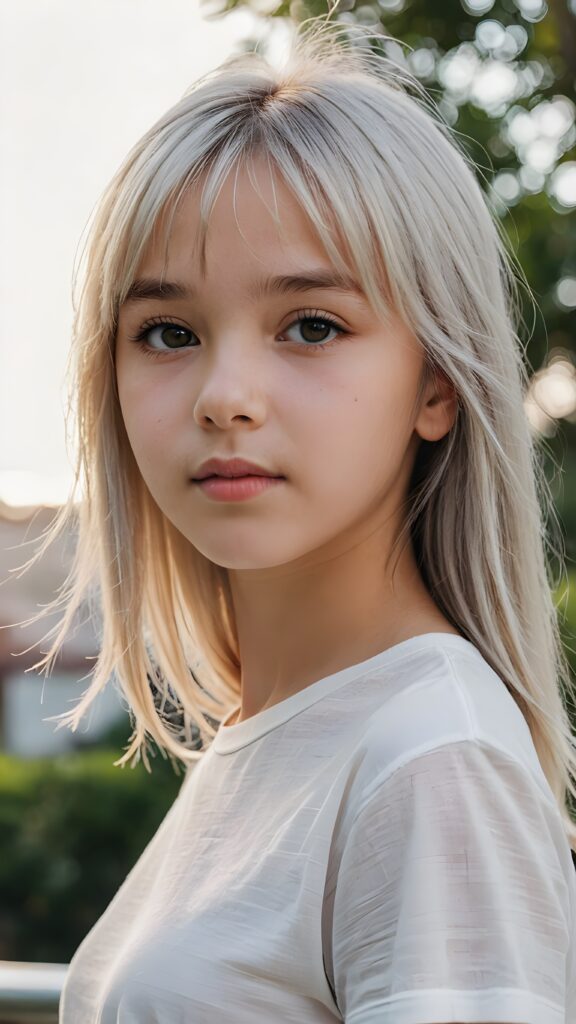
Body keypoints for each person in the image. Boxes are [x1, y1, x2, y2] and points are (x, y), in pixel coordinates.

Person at [16, 10, 576, 1023]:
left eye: (311, 325)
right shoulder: (281, 728)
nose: (225, 394)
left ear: (437, 383)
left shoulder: (431, 755)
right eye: (168, 331)